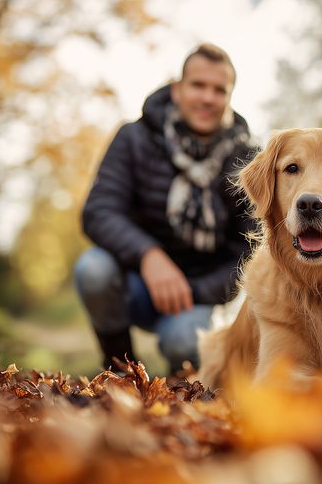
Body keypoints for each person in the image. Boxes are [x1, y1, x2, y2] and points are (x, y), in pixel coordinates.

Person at [74, 43, 256, 372]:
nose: (207, 98)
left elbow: (251, 249)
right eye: (198, 85)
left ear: (229, 98)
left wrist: (195, 290)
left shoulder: (247, 159)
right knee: (93, 269)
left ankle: (181, 399)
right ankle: (121, 372)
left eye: (219, 90)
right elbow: (99, 210)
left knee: (186, 345)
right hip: (137, 283)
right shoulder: (133, 138)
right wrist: (149, 256)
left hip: (199, 297)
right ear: (177, 90)